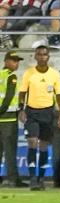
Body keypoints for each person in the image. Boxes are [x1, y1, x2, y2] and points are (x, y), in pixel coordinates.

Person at [17, 44, 60, 191]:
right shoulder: (29, 73)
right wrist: (21, 109)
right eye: (39, 54)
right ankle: (32, 178)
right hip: (31, 112)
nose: (42, 57)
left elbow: (59, 95)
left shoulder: (54, 74)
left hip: (47, 112)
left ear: (48, 56)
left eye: (44, 54)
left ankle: (42, 178)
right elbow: (22, 92)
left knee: (44, 145)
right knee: (32, 142)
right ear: (35, 56)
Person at [0, 51, 20, 187]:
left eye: (18, 61)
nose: (16, 64)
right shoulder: (11, 76)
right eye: (14, 61)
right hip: (8, 119)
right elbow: (9, 96)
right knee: (10, 151)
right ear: (6, 61)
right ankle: (13, 179)